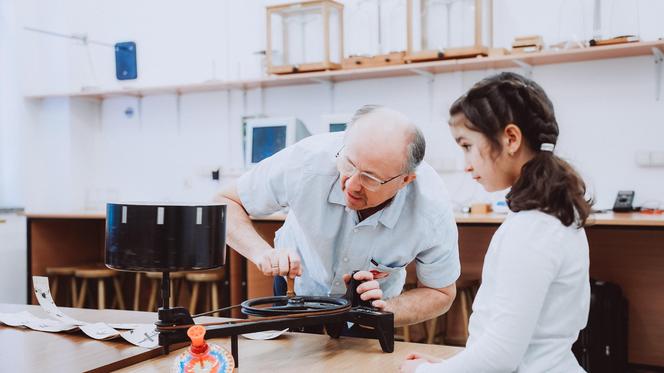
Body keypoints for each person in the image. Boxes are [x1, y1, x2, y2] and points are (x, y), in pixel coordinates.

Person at [401, 72, 592, 372]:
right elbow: (518, 346)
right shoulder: (550, 215)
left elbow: (500, 357)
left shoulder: (532, 230)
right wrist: (454, 364)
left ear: (511, 139)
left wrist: (425, 372)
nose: (465, 165)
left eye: (467, 146)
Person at [216, 105, 460, 327]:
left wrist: (385, 309)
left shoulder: (431, 208)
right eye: (349, 165)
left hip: (371, 308)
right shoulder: (305, 161)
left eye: (370, 178)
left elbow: (440, 292)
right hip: (297, 289)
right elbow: (225, 201)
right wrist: (262, 252)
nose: (352, 185)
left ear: (405, 180)